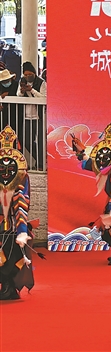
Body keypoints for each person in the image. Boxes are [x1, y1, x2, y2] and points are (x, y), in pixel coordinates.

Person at [70, 121, 111, 265]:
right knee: (109, 230)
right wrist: (79, 150)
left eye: (104, 159)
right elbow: (90, 164)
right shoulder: (105, 166)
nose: (101, 162)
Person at [0, 125, 34, 299]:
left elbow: (21, 203)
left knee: (10, 257)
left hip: (12, 225)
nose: (6, 172)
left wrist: (21, 231)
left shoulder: (21, 177)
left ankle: (8, 286)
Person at [17, 61, 46, 170]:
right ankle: (40, 159)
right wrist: (22, 90)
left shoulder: (41, 82)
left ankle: (41, 164)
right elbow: (18, 96)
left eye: (30, 74)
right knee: (26, 141)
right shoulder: (22, 81)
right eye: (25, 74)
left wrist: (32, 90)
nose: (28, 76)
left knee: (40, 141)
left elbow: (44, 97)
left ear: (34, 73)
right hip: (26, 117)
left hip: (38, 117)